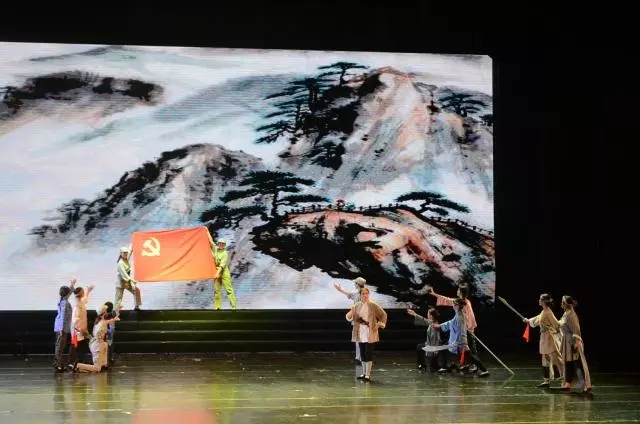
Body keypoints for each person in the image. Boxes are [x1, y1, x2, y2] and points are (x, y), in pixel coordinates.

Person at [430, 284, 489, 376]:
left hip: (464, 334)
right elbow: (452, 321)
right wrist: (440, 326)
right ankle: (473, 366)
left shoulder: (463, 308)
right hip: (463, 334)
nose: (453, 306)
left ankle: (482, 369)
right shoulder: (461, 306)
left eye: (458, 290)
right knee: (467, 352)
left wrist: (469, 330)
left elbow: (466, 320)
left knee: (469, 353)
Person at [346, 287, 387, 382]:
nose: (365, 295)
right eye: (363, 294)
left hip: (370, 332)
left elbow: (383, 315)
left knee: (368, 353)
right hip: (360, 331)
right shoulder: (357, 305)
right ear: (360, 295)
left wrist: (379, 324)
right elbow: (349, 317)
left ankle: (368, 374)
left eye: (367, 293)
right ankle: (364, 373)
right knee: (362, 353)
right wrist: (352, 311)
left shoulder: (373, 305)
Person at [523, 293, 563, 387]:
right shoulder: (543, 311)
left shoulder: (548, 312)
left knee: (554, 357)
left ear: (544, 301)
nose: (539, 300)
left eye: (540, 299)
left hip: (549, 338)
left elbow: (557, 325)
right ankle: (546, 380)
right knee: (545, 359)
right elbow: (537, 319)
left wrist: (549, 328)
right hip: (544, 338)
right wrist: (528, 321)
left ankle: (563, 376)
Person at [74, 303, 121, 373]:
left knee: (105, 345)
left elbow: (108, 321)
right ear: (104, 313)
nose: (107, 314)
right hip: (97, 346)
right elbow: (99, 335)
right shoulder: (102, 324)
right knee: (97, 368)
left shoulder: (99, 321)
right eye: (106, 312)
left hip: (97, 344)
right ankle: (78, 365)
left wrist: (115, 316)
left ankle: (101, 365)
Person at [559, 296, 591, 392]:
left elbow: (576, 329)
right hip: (567, 342)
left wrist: (577, 343)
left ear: (567, 304)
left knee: (579, 364)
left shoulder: (571, 315)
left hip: (573, 342)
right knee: (568, 362)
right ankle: (568, 383)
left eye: (563, 302)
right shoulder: (566, 313)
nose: (561, 304)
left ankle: (586, 383)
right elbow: (561, 324)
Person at [334, 277, 367, 369]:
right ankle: (359, 358)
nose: (354, 284)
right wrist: (340, 290)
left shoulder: (362, 294)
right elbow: (350, 295)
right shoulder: (358, 293)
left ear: (358, 284)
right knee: (358, 339)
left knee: (360, 339)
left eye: (355, 283)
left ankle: (360, 358)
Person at [407, 307, 443, 372]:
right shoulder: (431, 322)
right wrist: (414, 314)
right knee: (419, 347)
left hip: (433, 346)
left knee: (433, 367)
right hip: (429, 344)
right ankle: (422, 364)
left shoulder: (435, 325)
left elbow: (438, 338)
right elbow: (424, 320)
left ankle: (438, 367)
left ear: (431, 316)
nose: (427, 315)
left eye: (428, 314)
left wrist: (436, 349)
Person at [53, 278, 77, 372]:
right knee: (59, 347)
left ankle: (59, 363)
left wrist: (71, 285)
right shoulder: (65, 303)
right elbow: (63, 317)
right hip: (61, 328)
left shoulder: (62, 299)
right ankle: (58, 365)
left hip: (61, 327)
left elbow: (67, 294)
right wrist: (61, 330)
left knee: (60, 346)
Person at [68, 285, 93, 369]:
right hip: (77, 330)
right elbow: (75, 319)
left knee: (81, 345)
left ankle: (79, 361)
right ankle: (71, 362)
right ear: (80, 293)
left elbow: (84, 299)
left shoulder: (80, 301)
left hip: (81, 329)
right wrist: (80, 329)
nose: (84, 293)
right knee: (74, 345)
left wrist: (88, 291)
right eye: (83, 292)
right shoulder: (76, 305)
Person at [212, 239, 237, 310]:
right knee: (217, 290)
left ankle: (234, 306)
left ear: (225, 245)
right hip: (216, 272)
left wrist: (217, 273)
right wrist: (206, 232)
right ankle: (217, 307)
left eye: (223, 244)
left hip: (224, 273)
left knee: (229, 290)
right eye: (220, 243)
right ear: (218, 243)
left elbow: (222, 265)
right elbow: (211, 242)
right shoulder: (215, 249)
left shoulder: (225, 253)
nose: (221, 245)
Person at [116, 246, 141, 310]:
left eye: (126, 253)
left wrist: (133, 244)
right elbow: (124, 275)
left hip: (127, 282)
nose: (126, 254)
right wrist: (132, 280)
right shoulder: (120, 263)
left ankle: (137, 306)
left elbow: (130, 250)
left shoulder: (126, 258)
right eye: (124, 253)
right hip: (121, 282)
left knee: (136, 291)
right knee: (118, 298)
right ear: (121, 254)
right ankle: (115, 312)